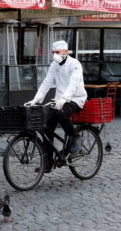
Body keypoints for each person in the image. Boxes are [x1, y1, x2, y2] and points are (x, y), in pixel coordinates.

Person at [25, 40, 87, 172]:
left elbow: (73, 83)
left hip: (75, 98)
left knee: (60, 114)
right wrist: (36, 99)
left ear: (66, 52)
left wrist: (65, 98)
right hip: (59, 100)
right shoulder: (54, 65)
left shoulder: (75, 64)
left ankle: (76, 137)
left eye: (57, 52)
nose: (55, 55)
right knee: (46, 125)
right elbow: (46, 83)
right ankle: (48, 162)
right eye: (53, 53)